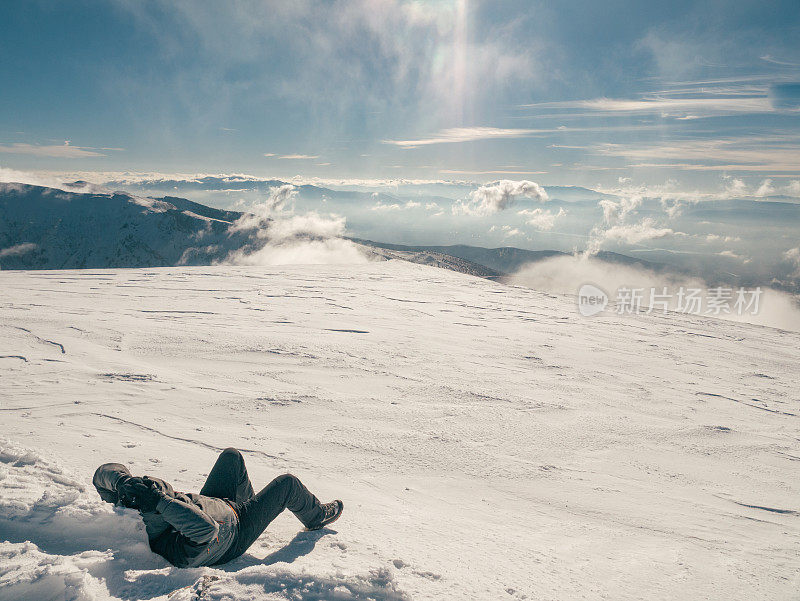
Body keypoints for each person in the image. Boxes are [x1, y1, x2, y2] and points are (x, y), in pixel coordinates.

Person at [93, 448, 343, 567]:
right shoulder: (169, 544)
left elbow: (101, 474)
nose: (152, 484)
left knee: (231, 457)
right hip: (234, 533)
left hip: (219, 505)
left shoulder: (138, 507)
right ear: (157, 506)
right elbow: (206, 529)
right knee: (287, 484)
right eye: (155, 491)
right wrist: (159, 500)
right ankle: (316, 516)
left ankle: (258, 509)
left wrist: (124, 481)